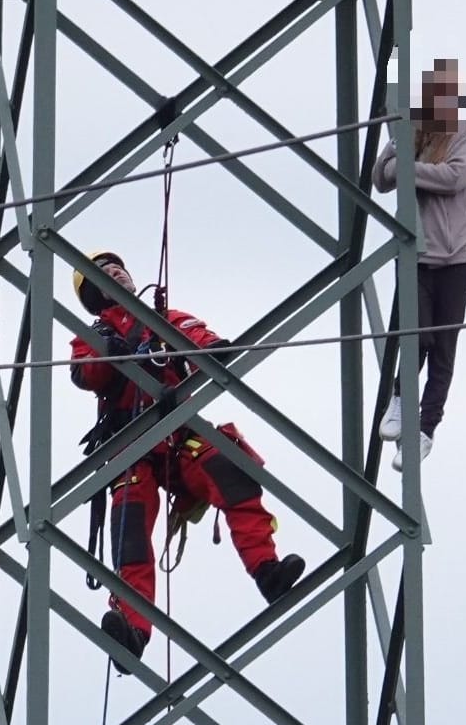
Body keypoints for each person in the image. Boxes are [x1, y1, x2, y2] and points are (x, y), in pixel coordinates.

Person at [69, 250, 306, 671]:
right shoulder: (92, 335)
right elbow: (86, 375)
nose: (116, 274)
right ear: (93, 294)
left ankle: (267, 570)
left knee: (232, 470)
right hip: (131, 446)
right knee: (131, 536)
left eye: (118, 268)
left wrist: (215, 351)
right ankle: (132, 629)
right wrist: (112, 352)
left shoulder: (163, 320)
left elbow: (197, 337)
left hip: (179, 437)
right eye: (104, 273)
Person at [371, 58, 466, 471]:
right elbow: (381, 179)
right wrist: (400, 146)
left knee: (443, 349)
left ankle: (425, 430)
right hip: (416, 255)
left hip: (455, 258)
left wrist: (407, 169)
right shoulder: (414, 135)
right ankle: (401, 402)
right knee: (413, 337)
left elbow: (453, 178)